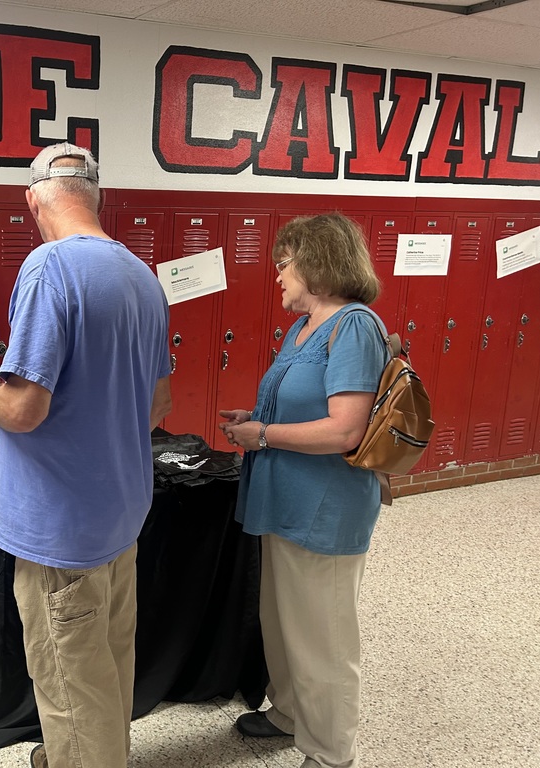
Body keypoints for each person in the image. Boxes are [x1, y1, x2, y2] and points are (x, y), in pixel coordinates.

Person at [0, 143, 172, 768]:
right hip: (118, 514)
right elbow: (156, 405)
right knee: (107, 660)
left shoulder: (48, 268)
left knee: (68, 680)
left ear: (32, 200)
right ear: (96, 197)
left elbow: (25, 407)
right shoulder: (142, 276)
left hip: (61, 529)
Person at [218, 213, 388, 768]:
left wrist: (262, 434)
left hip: (324, 509)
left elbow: (345, 429)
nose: (278, 277)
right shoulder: (302, 327)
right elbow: (301, 404)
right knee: (282, 620)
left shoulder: (355, 326)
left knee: (324, 638)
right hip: (283, 499)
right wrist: (257, 415)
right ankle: (289, 713)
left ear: (317, 262)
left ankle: (330, 751)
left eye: (284, 264)